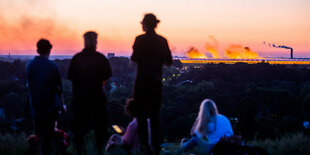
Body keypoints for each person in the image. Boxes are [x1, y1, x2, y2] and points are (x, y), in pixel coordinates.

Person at [131, 13, 173, 154]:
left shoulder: (139, 40)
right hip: (156, 84)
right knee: (155, 117)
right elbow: (169, 61)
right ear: (155, 24)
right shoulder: (162, 41)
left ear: (145, 24)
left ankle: (144, 146)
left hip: (142, 83)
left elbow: (134, 58)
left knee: (141, 116)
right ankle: (155, 148)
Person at [68, 31, 112, 154]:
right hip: (97, 100)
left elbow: (72, 79)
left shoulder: (77, 59)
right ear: (95, 42)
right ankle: (99, 151)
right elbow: (106, 79)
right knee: (100, 131)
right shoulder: (101, 59)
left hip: (79, 100)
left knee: (79, 131)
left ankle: (81, 151)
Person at [26, 39, 65, 154]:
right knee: (48, 139)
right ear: (50, 50)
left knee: (39, 137)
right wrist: (62, 106)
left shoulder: (30, 65)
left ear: (37, 49)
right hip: (50, 108)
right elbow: (59, 89)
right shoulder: (52, 66)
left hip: (35, 108)